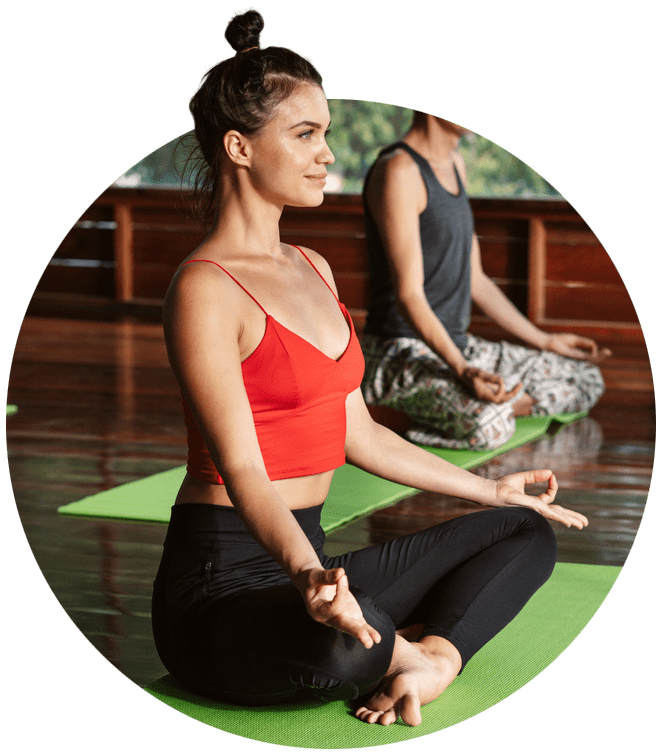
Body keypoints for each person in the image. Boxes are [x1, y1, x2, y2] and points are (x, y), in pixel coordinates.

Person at [151, 9, 588, 728]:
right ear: (238, 146)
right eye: (305, 134)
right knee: (344, 648)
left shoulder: (312, 267)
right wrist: (306, 576)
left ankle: (431, 660)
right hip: (222, 590)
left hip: (309, 566)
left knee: (524, 528)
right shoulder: (204, 287)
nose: (328, 154)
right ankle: (391, 649)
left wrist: (487, 486)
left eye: (325, 133)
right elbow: (244, 469)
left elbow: (362, 435)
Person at [361, 112, 610, 451]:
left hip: (460, 347)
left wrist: (545, 341)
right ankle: (388, 413)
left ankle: (483, 407)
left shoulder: (455, 164)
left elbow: (475, 279)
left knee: (585, 379)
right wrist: (463, 371)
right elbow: (409, 295)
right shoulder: (399, 171)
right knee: (490, 425)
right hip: (399, 354)